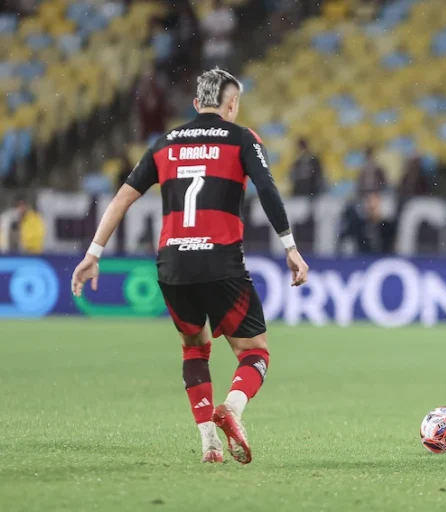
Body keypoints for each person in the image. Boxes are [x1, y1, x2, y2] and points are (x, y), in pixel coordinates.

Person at [70, 68, 310, 465]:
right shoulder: (242, 138)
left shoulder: (165, 143)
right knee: (255, 352)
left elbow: (122, 198)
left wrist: (93, 253)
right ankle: (231, 409)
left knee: (195, 348)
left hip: (173, 263)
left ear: (197, 104)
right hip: (220, 260)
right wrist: (291, 247)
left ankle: (209, 444)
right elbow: (267, 188)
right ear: (232, 105)